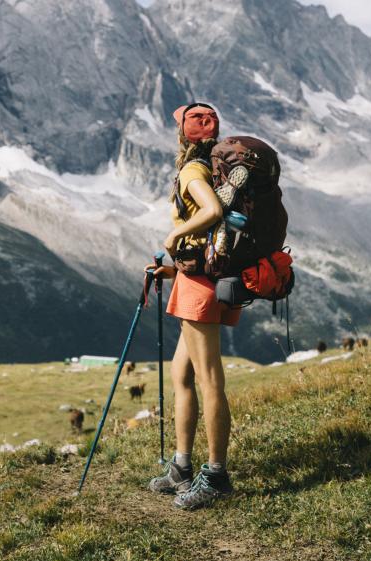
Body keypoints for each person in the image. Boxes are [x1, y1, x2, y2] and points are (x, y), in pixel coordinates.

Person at [147, 103, 242, 510]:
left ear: (184, 135)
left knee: (208, 379)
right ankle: (182, 467)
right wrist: (173, 271)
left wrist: (174, 236)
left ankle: (216, 476)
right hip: (199, 278)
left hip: (200, 290)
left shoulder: (192, 171)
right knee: (181, 373)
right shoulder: (215, 167)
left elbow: (213, 211)